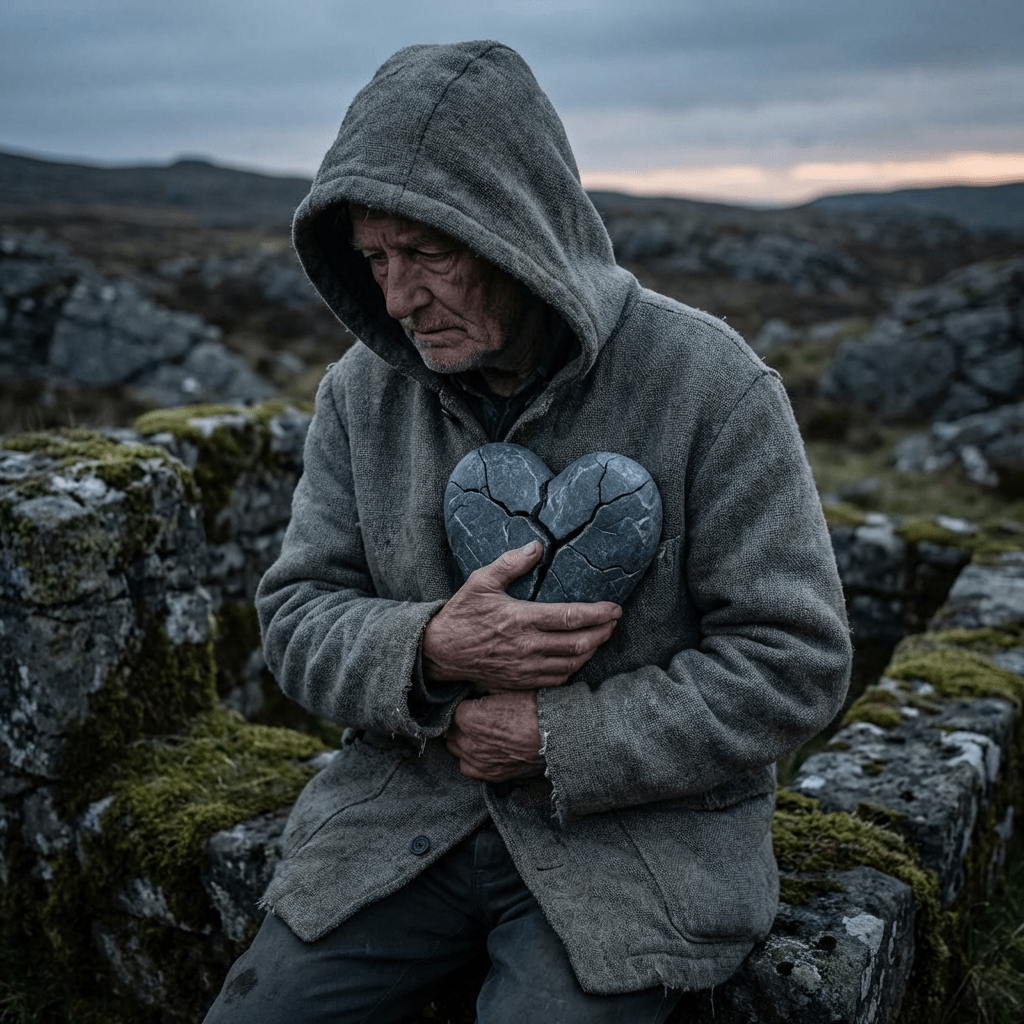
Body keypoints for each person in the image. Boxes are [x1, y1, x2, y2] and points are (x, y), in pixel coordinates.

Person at [203, 39, 851, 1024]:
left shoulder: (710, 385)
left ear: (515, 227)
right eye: (374, 259)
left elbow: (792, 660)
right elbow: (294, 617)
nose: (396, 299)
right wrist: (425, 648)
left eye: (427, 253)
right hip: (399, 820)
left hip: (636, 848)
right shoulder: (358, 395)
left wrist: (560, 736)